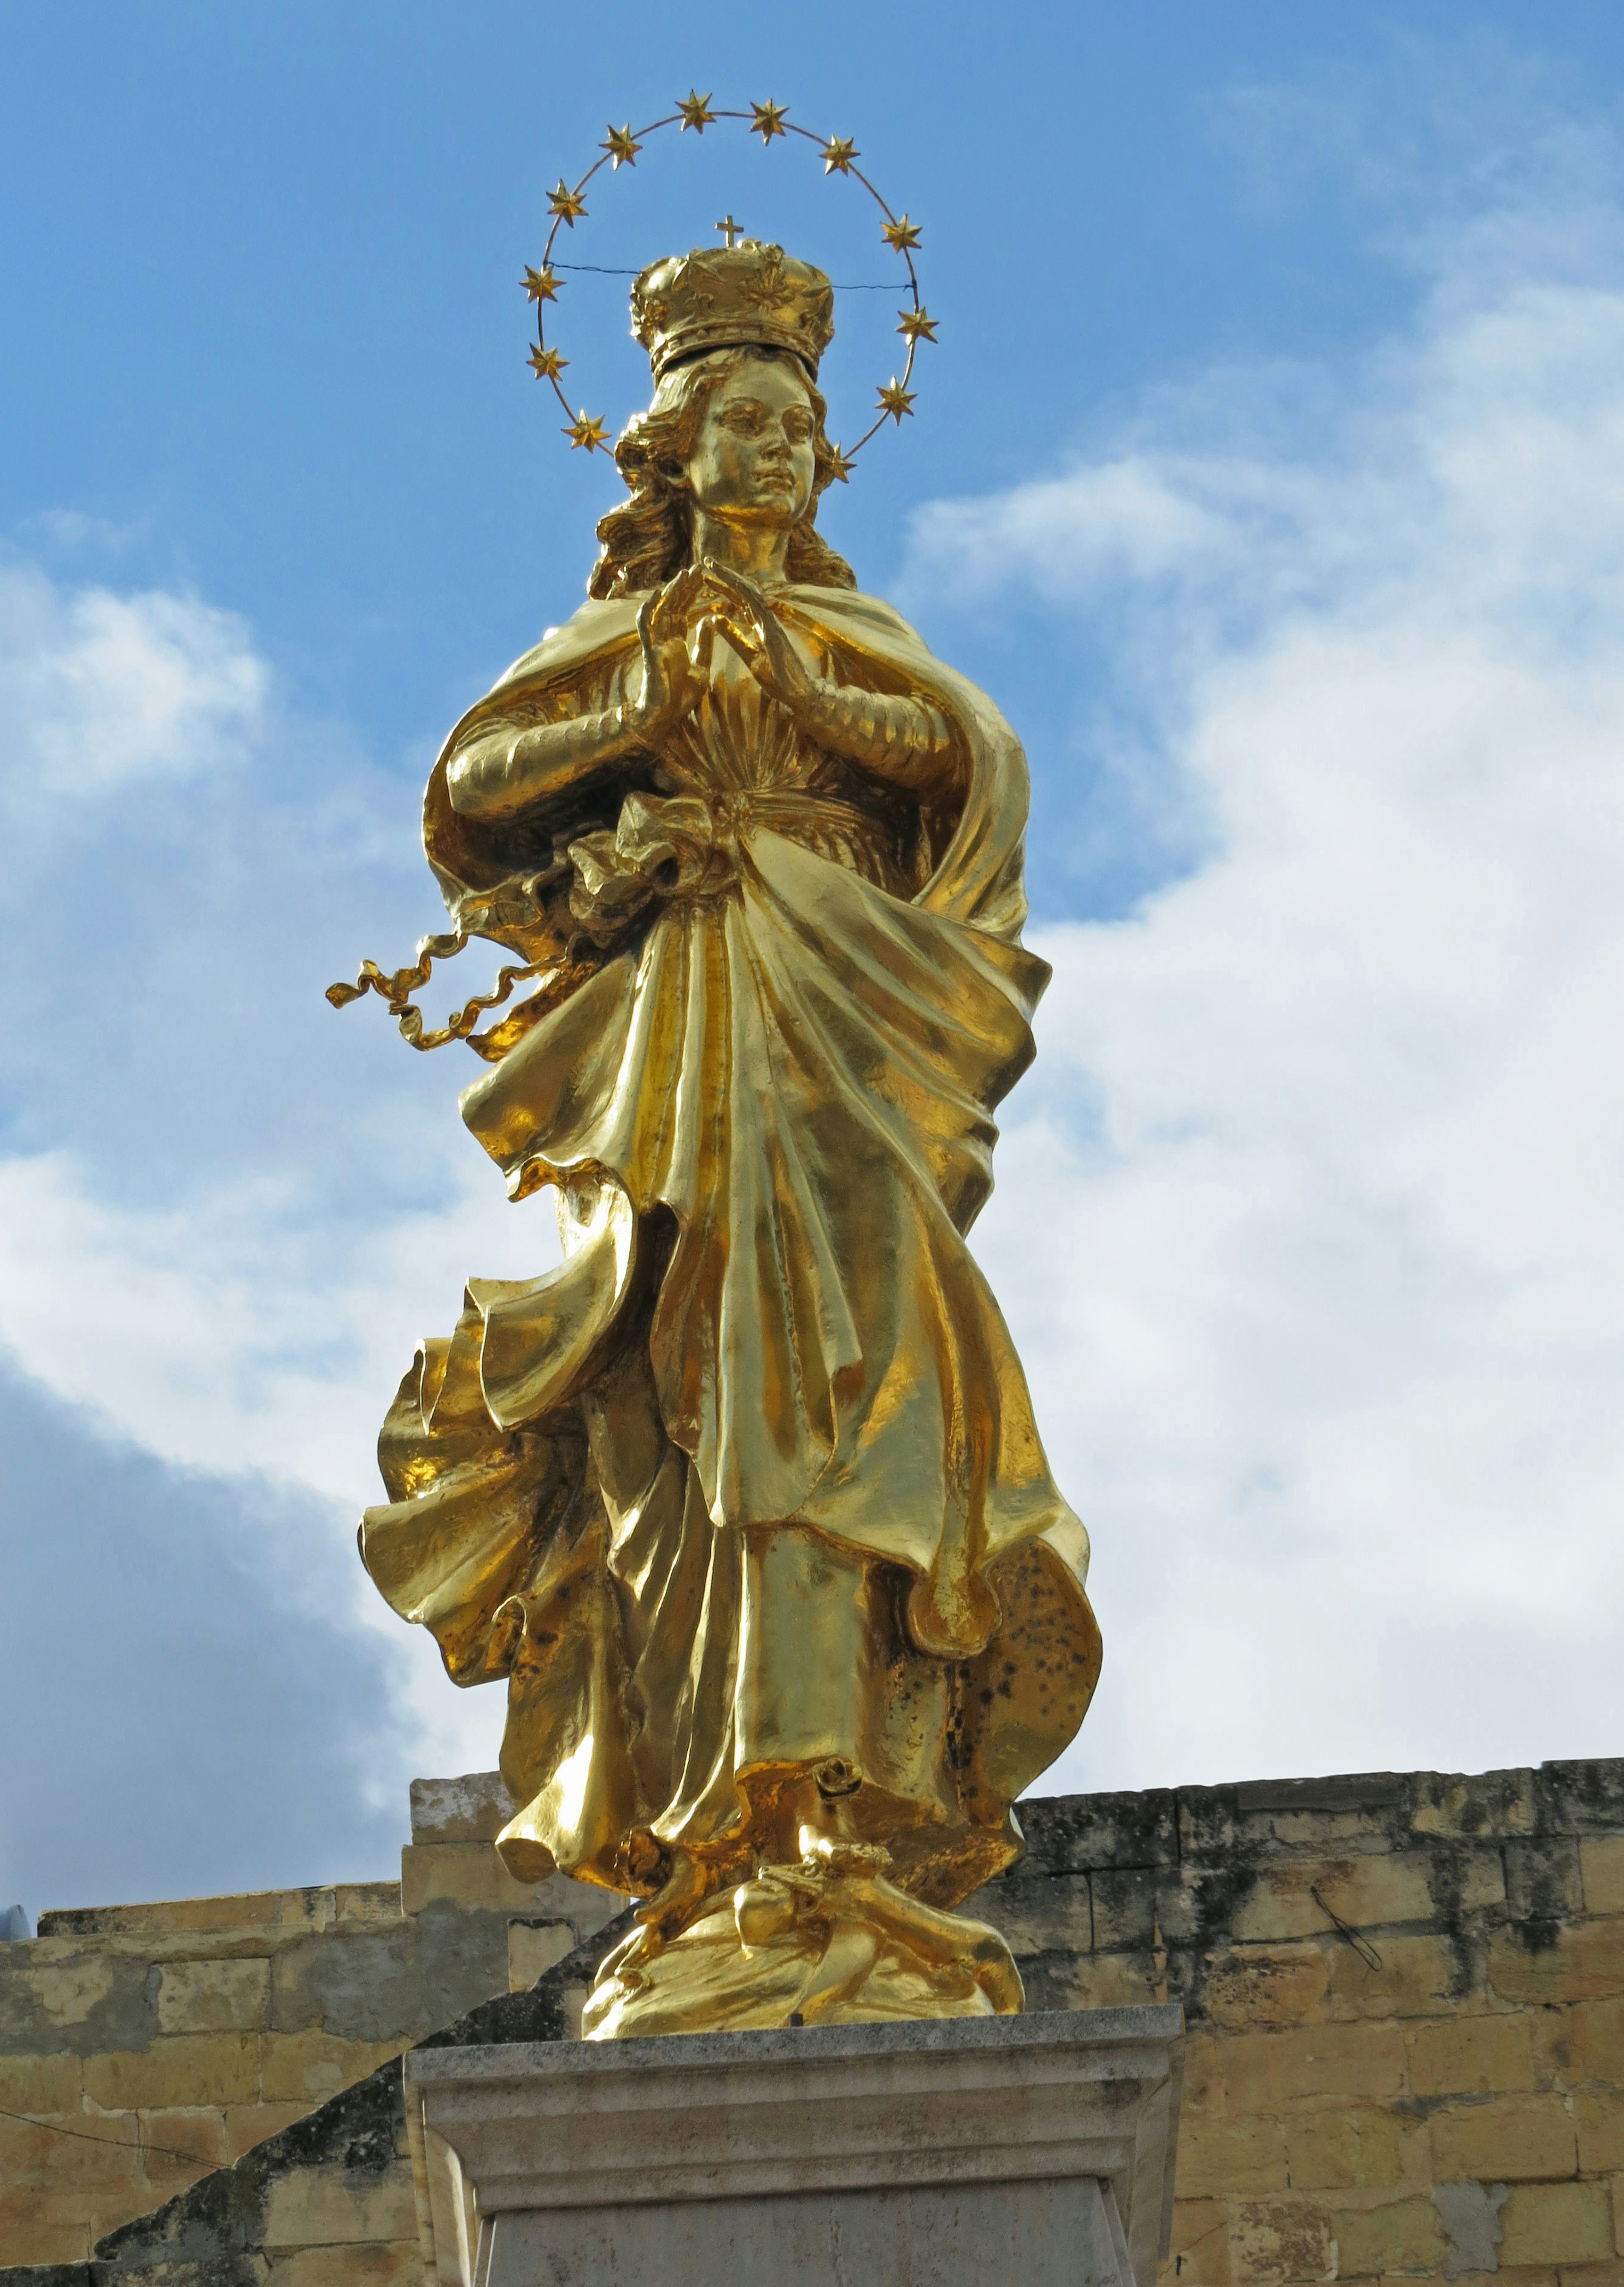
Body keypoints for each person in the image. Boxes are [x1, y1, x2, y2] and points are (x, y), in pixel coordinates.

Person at [350, 241, 1099, 2035]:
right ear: (677, 451)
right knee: (688, 1411)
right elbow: (471, 788)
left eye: (798, 425)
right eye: (742, 421)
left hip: (845, 1021)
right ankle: (733, 1836)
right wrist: (646, 710)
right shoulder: (623, 636)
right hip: (687, 1030)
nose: (774, 449)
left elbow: (963, 765)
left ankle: (841, 1812)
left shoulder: (857, 638)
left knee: (859, 1387)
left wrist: (811, 703)